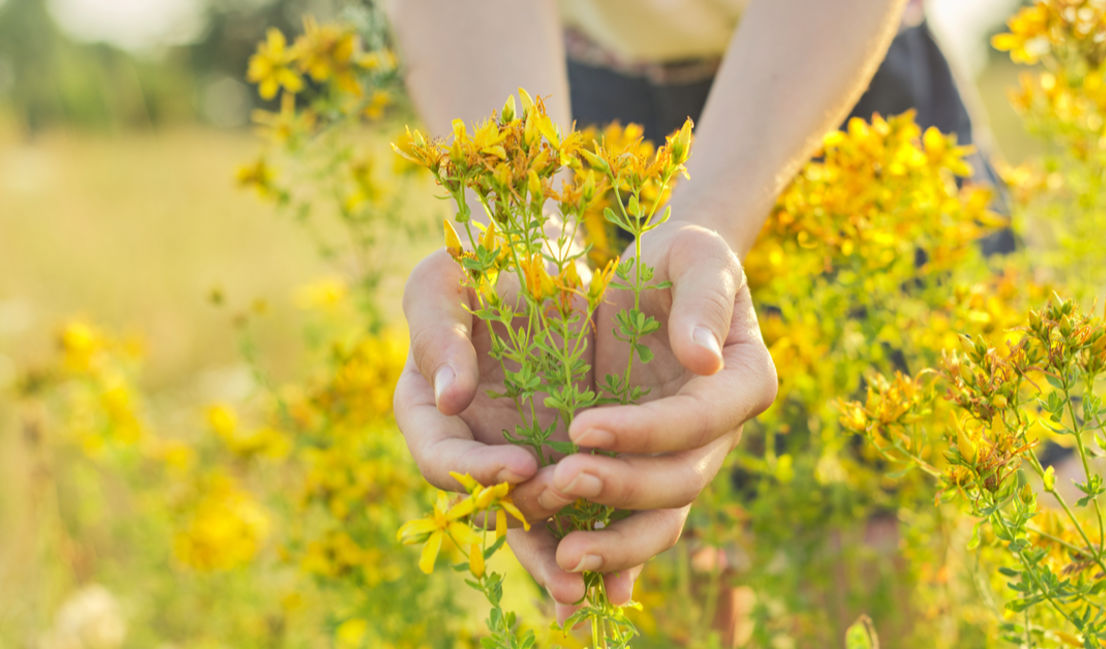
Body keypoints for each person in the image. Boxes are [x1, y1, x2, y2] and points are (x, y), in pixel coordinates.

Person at [386, 0, 992, 622]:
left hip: (829, 82)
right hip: (574, 94)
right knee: (656, 579)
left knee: (871, 564)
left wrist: (708, 223)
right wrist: (520, 242)